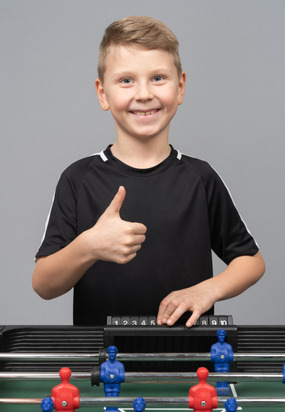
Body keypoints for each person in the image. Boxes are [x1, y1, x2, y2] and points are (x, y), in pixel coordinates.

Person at [32, 16, 265, 327]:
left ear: (180, 87)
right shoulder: (77, 179)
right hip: (103, 365)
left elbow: (251, 261)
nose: (143, 94)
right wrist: (88, 246)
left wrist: (208, 290)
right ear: (103, 93)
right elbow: (44, 284)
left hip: (191, 363)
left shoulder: (201, 178)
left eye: (158, 78)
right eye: (126, 80)